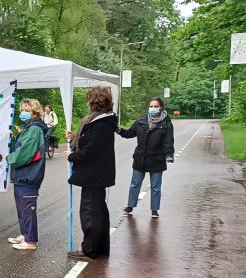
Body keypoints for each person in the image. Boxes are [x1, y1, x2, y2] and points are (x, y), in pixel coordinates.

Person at [65, 86, 118, 261]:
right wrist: (75, 138)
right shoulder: (103, 122)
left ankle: (89, 249)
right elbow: (89, 142)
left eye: (90, 100)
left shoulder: (100, 123)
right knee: (98, 211)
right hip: (98, 174)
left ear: (95, 102)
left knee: (90, 212)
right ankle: (100, 247)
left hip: (94, 174)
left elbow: (90, 151)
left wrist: (72, 156)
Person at [116, 97, 175, 219]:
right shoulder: (140, 122)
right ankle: (130, 206)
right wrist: (119, 130)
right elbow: (130, 134)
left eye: (156, 106)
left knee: (155, 186)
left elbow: (168, 141)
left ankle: (154, 210)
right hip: (140, 158)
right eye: (151, 106)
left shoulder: (166, 124)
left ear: (161, 107)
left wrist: (169, 155)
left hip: (157, 159)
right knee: (135, 184)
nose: (153, 108)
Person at [6, 99, 48, 250]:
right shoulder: (29, 128)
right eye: (22, 109)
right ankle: (24, 234)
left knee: (27, 208)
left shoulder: (34, 129)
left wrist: (10, 158)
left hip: (28, 176)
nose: (22, 112)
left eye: (26, 110)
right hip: (22, 176)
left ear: (34, 112)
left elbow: (25, 153)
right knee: (22, 208)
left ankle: (30, 241)